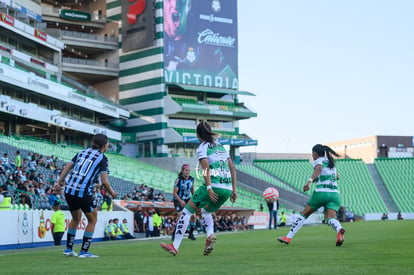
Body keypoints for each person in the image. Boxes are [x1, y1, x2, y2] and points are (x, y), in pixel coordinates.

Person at [160, 121, 237, 256]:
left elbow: (205, 167)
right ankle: (210, 235)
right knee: (206, 212)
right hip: (227, 189)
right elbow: (232, 168)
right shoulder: (221, 147)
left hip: (214, 186)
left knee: (186, 212)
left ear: (198, 134)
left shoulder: (203, 147)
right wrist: (234, 190)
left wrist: (208, 187)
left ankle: (175, 246)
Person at [55, 133, 117, 258]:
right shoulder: (102, 158)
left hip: (69, 190)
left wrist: (58, 183)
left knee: (76, 219)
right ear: (104, 145)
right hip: (83, 192)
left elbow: (67, 167)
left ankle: (68, 249)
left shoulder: (82, 152)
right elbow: (105, 181)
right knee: (92, 220)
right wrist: (112, 193)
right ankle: (84, 251)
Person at [277, 144, 346, 247]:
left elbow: (318, 169)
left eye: (312, 154)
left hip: (321, 193)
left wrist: (309, 181)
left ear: (315, 153)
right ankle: (339, 230)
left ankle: (288, 237)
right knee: (329, 219)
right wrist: (318, 178)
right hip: (334, 194)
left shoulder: (318, 161)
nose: (312, 156)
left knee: (304, 214)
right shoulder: (331, 163)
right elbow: (337, 177)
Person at [171, 164, 196, 241]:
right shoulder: (178, 180)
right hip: (178, 199)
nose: (187, 172)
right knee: (181, 216)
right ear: (182, 171)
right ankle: (175, 233)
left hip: (188, 199)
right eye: (186, 170)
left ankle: (191, 233)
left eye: (188, 170)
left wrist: (194, 198)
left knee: (193, 216)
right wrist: (180, 201)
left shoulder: (191, 179)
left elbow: (192, 189)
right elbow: (174, 193)